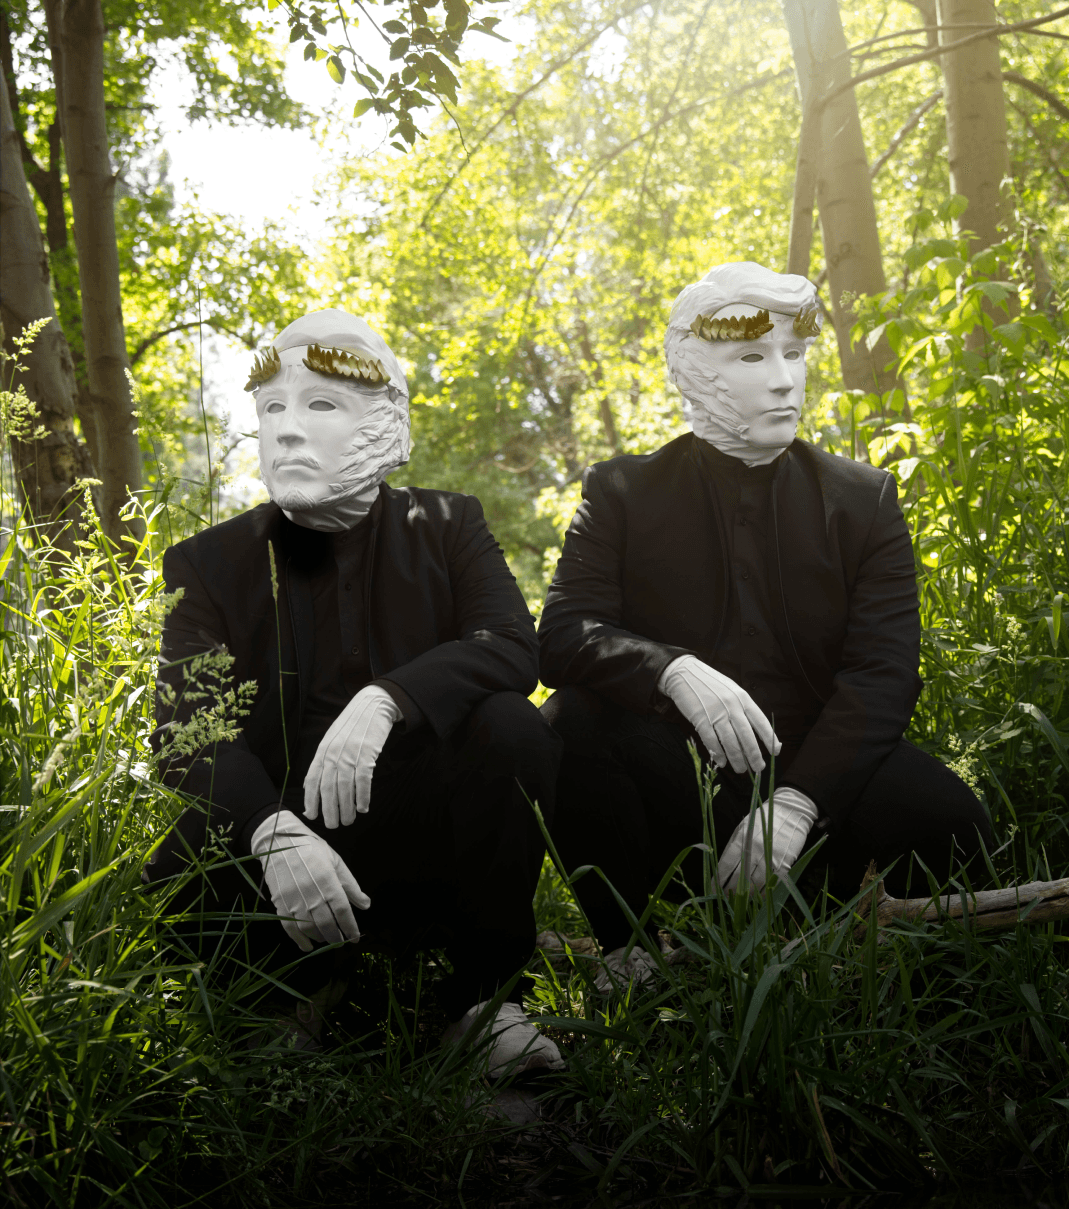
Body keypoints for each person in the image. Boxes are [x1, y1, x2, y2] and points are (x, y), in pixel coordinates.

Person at [537, 262, 991, 985]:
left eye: (795, 353)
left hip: (820, 766)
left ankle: (858, 943)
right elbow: (561, 633)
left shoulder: (864, 498)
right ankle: (634, 947)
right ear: (690, 370)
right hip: (674, 775)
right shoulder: (619, 490)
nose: (784, 379)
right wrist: (672, 671)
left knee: (953, 822)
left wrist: (796, 801)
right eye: (752, 356)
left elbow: (883, 672)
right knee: (566, 723)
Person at [146, 308, 563, 1073]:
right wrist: (272, 831)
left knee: (513, 727)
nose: (287, 430)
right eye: (272, 408)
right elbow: (184, 731)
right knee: (195, 847)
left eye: (321, 405)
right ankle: (286, 993)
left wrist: (384, 700)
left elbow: (509, 646)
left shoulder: (448, 523)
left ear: (389, 421)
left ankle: (482, 1001)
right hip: (275, 834)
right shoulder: (206, 561)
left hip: (419, 821)